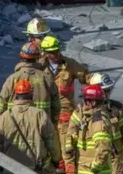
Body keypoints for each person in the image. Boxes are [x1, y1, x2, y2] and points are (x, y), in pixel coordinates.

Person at [38, 35, 93, 171]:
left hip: (64, 112)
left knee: (65, 145)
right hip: (44, 112)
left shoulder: (69, 64)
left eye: (57, 50)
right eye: (52, 52)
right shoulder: (38, 66)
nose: (56, 54)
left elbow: (87, 77)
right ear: (45, 52)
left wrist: (98, 84)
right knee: (44, 144)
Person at [0, 79, 62, 173]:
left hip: (11, 168)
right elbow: (51, 141)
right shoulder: (40, 115)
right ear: (31, 94)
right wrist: (56, 160)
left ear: (16, 95)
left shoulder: (4, 116)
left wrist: (0, 163)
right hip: (36, 168)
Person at [0, 41, 61, 125]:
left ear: (21, 57)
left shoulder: (12, 79)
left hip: (16, 124)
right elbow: (56, 106)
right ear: (38, 58)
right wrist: (52, 123)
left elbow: (2, 104)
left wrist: (3, 121)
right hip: (41, 125)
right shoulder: (46, 78)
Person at [89, 73, 123, 174]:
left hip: (115, 157)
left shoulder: (117, 108)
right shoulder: (86, 109)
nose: (106, 93)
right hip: (95, 156)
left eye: (108, 90)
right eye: (104, 90)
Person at [64, 85, 114, 174]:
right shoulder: (89, 116)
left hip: (94, 171)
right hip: (85, 167)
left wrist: (95, 167)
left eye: (86, 100)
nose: (84, 104)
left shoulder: (98, 121)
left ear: (93, 102)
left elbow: (103, 148)